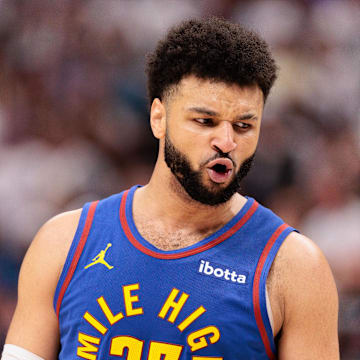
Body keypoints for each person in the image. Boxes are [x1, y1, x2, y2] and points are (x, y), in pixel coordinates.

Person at [3, 17, 339, 360]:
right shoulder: (64, 240)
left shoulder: (294, 267)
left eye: (243, 126)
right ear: (158, 118)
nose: (226, 141)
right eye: (205, 121)